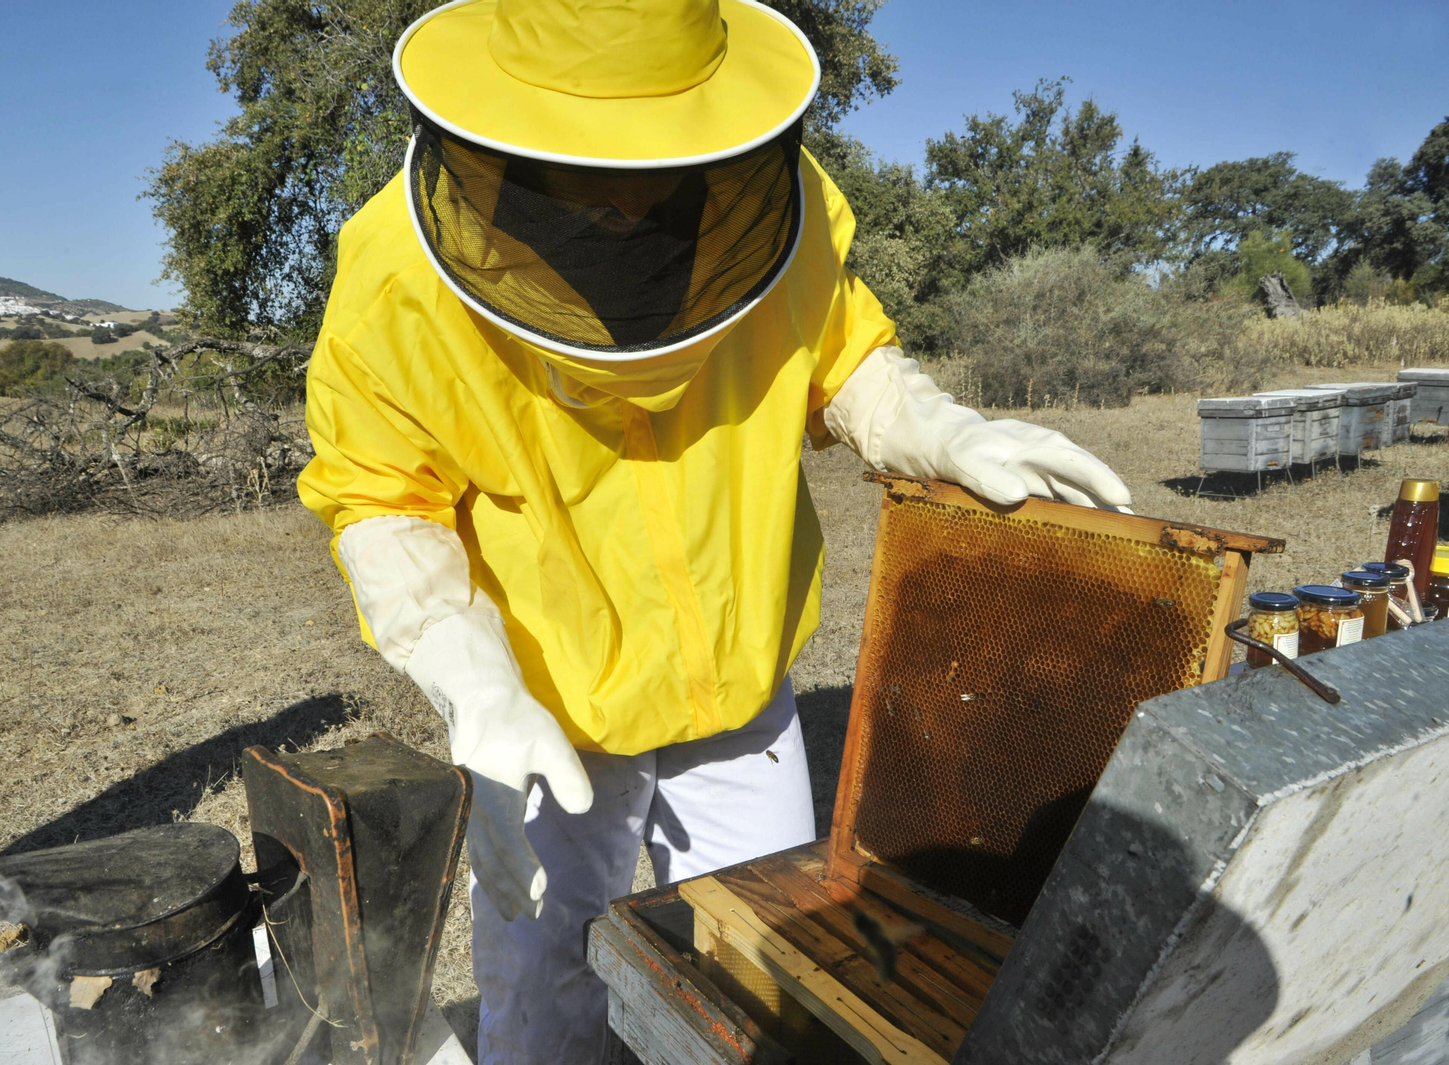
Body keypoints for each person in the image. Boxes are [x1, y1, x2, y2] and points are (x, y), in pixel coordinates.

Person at [296, 0, 1131, 1060]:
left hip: (739, 691)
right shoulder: (394, 276)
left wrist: (931, 424)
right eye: (593, 162)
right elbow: (380, 499)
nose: (627, 194)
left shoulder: (781, 204)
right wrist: (480, 694)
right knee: (548, 979)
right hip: (557, 718)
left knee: (773, 961)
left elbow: (835, 353)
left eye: (656, 154)